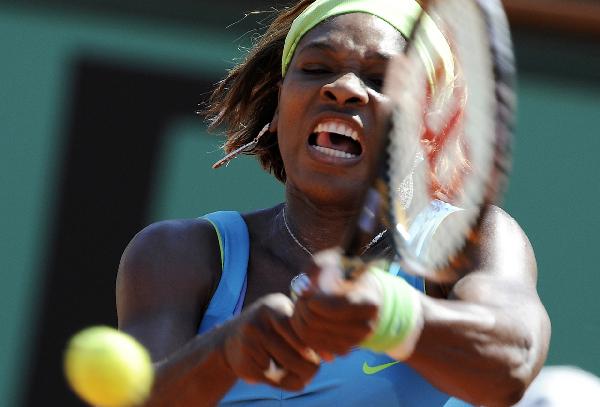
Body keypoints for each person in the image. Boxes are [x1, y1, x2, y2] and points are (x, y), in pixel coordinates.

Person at [116, 0, 551, 406]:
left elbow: (514, 362)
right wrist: (223, 353)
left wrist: (389, 315)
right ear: (278, 105)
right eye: (317, 67)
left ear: (428, 129)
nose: (343, 88)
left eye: (382, 79)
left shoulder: (471, 240)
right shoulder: (178, 254)